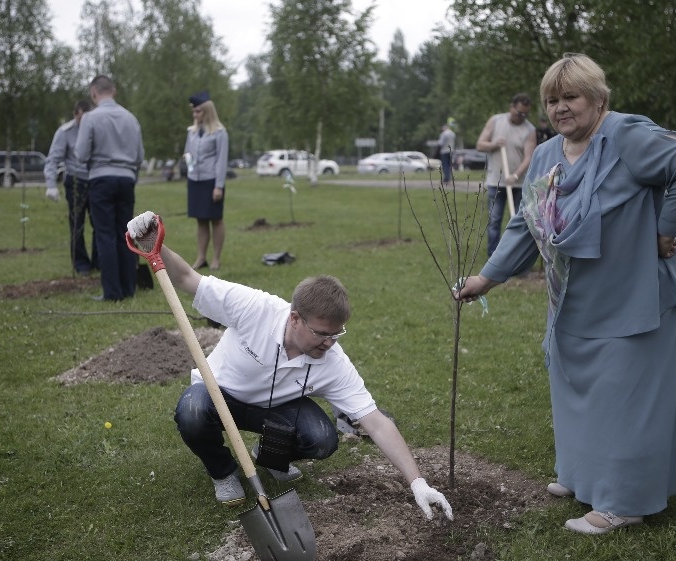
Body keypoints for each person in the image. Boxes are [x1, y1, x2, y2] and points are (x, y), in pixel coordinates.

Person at [455, 53, 676, 535]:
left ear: (598, 99)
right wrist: (486, 278)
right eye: (551, 100)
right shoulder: (551, 153)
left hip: (639, 295)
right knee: (579, 390)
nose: (560, 108)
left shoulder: (626, 135)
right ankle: (581, 477)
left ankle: (624, 502)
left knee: (625, 397)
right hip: (578, 299)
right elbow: (526, 225)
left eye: (570, 97)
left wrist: (667, 230)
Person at [126, 210, 453, 521]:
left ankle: (268, 455)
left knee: (323, 438)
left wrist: (417, 483)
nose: (330, 343)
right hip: (219, 395)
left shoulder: (332, 360)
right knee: (192, 412)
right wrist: (153, 243)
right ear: (294, 318)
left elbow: (377, 423)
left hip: (275, 409)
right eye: (322, 334)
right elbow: (186, 277)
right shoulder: (254, 307)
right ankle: (223, 471)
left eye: (337, 334)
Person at [74, 74, 145, 302]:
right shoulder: (131, 118)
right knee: (125, 234)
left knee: (105, 235)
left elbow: (81, 155)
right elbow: (140, 156)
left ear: (93, 93)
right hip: (126, 179)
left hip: (101, 179)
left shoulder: (90, 118)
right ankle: (129, 287)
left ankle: (112, 292)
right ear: (113, 91)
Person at [475, 93, 538, 257]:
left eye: (526, 114)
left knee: (517, 221)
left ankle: (513, 256)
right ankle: (494, 256)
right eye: (519, 113)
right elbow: (480, 145)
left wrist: (515, 176)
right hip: (495, 181)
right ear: (512, 107)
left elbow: (528, 157)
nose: (522, 116)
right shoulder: (496, 121)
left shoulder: (529, 130)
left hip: (518, 184)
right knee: (494, 220)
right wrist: (494, 144)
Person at [45, 99, 96, 276]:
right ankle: (81, 264)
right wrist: (51, 185)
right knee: (77, 224)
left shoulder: (96, 128)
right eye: (83, 118)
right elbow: (53, 159)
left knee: (99, 223)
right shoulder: (65, 132)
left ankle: (99, 261)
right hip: (76, 181)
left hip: (96, 180)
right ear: (75, 115)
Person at [184, 91, 229, 270]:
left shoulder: (220, 132)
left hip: (212, 181)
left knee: (215, 219)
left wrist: (219, 186)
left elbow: (221, 160)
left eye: (198, 112)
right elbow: (188, 153)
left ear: (207, 111)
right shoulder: (192, 132)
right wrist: (190, 166)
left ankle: (216, 258)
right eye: (194, 112)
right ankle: (201, 257)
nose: (195, 115)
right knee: (201, 220)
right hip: (195, 180)